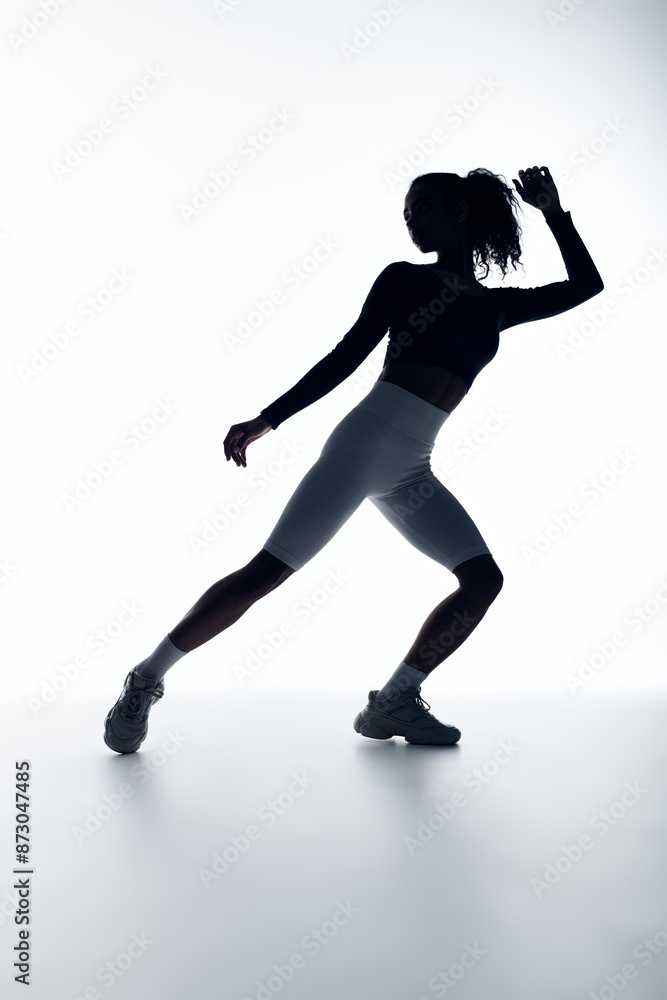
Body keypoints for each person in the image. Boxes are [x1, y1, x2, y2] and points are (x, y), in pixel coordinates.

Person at [103, 165, 604, 753]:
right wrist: (269, 418)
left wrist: (554, 214)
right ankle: (146, 678)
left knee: (483, 580)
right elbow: (347, 355)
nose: (411, 221)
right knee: (267, 573)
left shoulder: (496, 307)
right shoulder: (404, 279)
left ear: (461, 211)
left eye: (422, 207)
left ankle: (394, 700)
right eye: (406, 214)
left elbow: (586, 286)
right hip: (364, 444)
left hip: (412, 468)